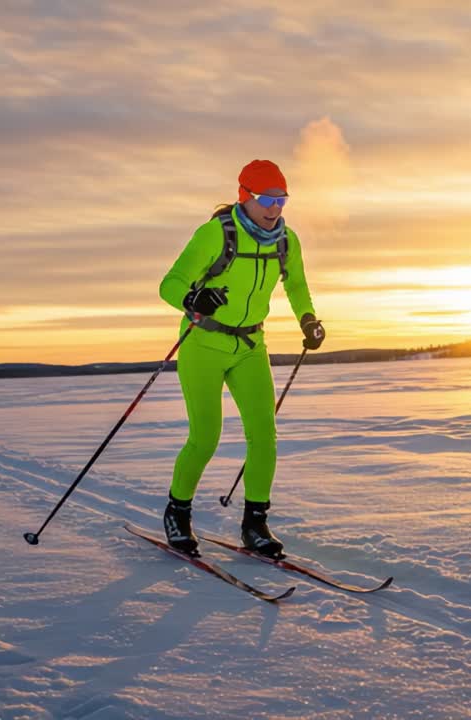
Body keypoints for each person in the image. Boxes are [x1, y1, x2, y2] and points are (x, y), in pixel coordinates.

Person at [157, 159, 326, 558]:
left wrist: (308, 319)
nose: (275, 209)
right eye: (267, 199)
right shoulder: (215, 234)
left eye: (282, 200)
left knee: (264, 435)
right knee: (205, 436)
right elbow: (171, 283)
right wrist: (193, 299)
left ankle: (255, 524)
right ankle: (177, 513)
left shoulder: (287, 241)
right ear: (245, 196)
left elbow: (297, 283)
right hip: (203, 344)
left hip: (251, 346)